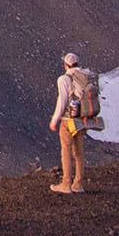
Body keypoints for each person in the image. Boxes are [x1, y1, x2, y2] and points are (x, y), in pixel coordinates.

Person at [48, 51, 97, 193]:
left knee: (66, 150)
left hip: (68, 119)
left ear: (66, 65)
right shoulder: (86, 76)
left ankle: (66, 184)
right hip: (82, 118)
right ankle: (78, 184)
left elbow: (62, 101)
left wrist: (54, 120)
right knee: (79, 151)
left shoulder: (64, 79)